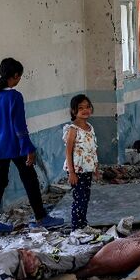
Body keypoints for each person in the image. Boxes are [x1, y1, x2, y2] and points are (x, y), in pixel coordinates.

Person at [0, 58, 63, 234]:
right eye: (20, 77)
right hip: (14, 144)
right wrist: (29, 148)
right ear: (16, 75)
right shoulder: (15, 96)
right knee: (30, 179)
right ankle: (41, 217)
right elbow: (19, 126)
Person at [63, 94, 99, 230]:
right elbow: (68, 151)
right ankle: (77, 227)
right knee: (79, 199)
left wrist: (96, 167)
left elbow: (93, 148)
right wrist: (71, 172)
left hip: (87, 168)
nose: (85, 110)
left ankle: (83, 224)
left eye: (88, 107)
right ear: (73, 111)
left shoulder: (90, 127)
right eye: (81, 108)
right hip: (77, 170)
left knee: (85, 197)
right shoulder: (73, 130)